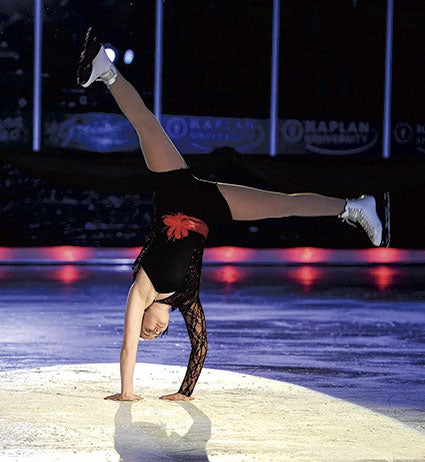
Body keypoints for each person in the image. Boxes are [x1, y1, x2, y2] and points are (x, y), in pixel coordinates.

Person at [77, 28, 389, 402]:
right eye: (158, 334)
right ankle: (353, 207)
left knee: (145, 124)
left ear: (143, 315)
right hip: (207, 206)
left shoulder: (140, 289)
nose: (153, 332)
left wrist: (127, 392)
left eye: (148, 332)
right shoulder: (186, 298)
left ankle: (106, 70)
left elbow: (128, 346)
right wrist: (184, 393)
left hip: (178, 190)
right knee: (282, 205)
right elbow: (201, 348)